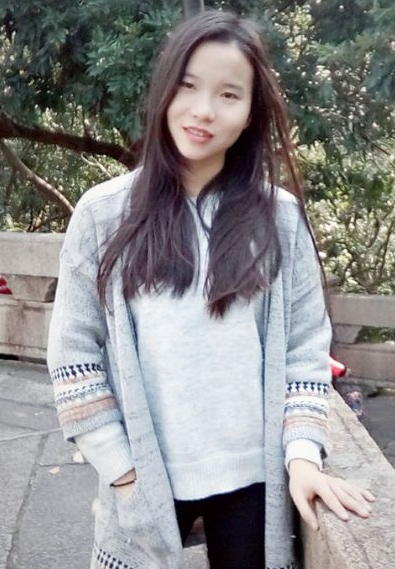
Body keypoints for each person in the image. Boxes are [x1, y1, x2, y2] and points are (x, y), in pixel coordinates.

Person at [47, 10, 374, 569]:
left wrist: (303, 458)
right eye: (189, 86)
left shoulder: (279, 219)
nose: (203, 110)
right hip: (145, 473)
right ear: (164, 90)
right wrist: (122, 470)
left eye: (228, 95)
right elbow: (73, 353)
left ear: (250, 113)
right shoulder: (104, 215)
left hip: (253, 481)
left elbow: (305, 352)